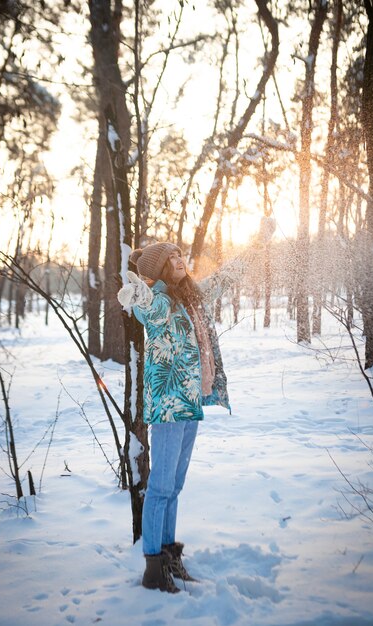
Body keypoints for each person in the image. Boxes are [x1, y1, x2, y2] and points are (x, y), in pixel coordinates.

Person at [117, 220, 274, 593]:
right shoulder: (157, 301)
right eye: (172, 257)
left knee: (175, 486)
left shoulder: (191, 296)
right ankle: (153, 569)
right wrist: (136, 291)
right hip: (169, 407)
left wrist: (258, 242)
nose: (180, 259)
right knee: (160, 487)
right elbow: (146, 308)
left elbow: (226, 276)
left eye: (180, 254)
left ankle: (170, 557)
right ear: (158, 270)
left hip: (190, 405)